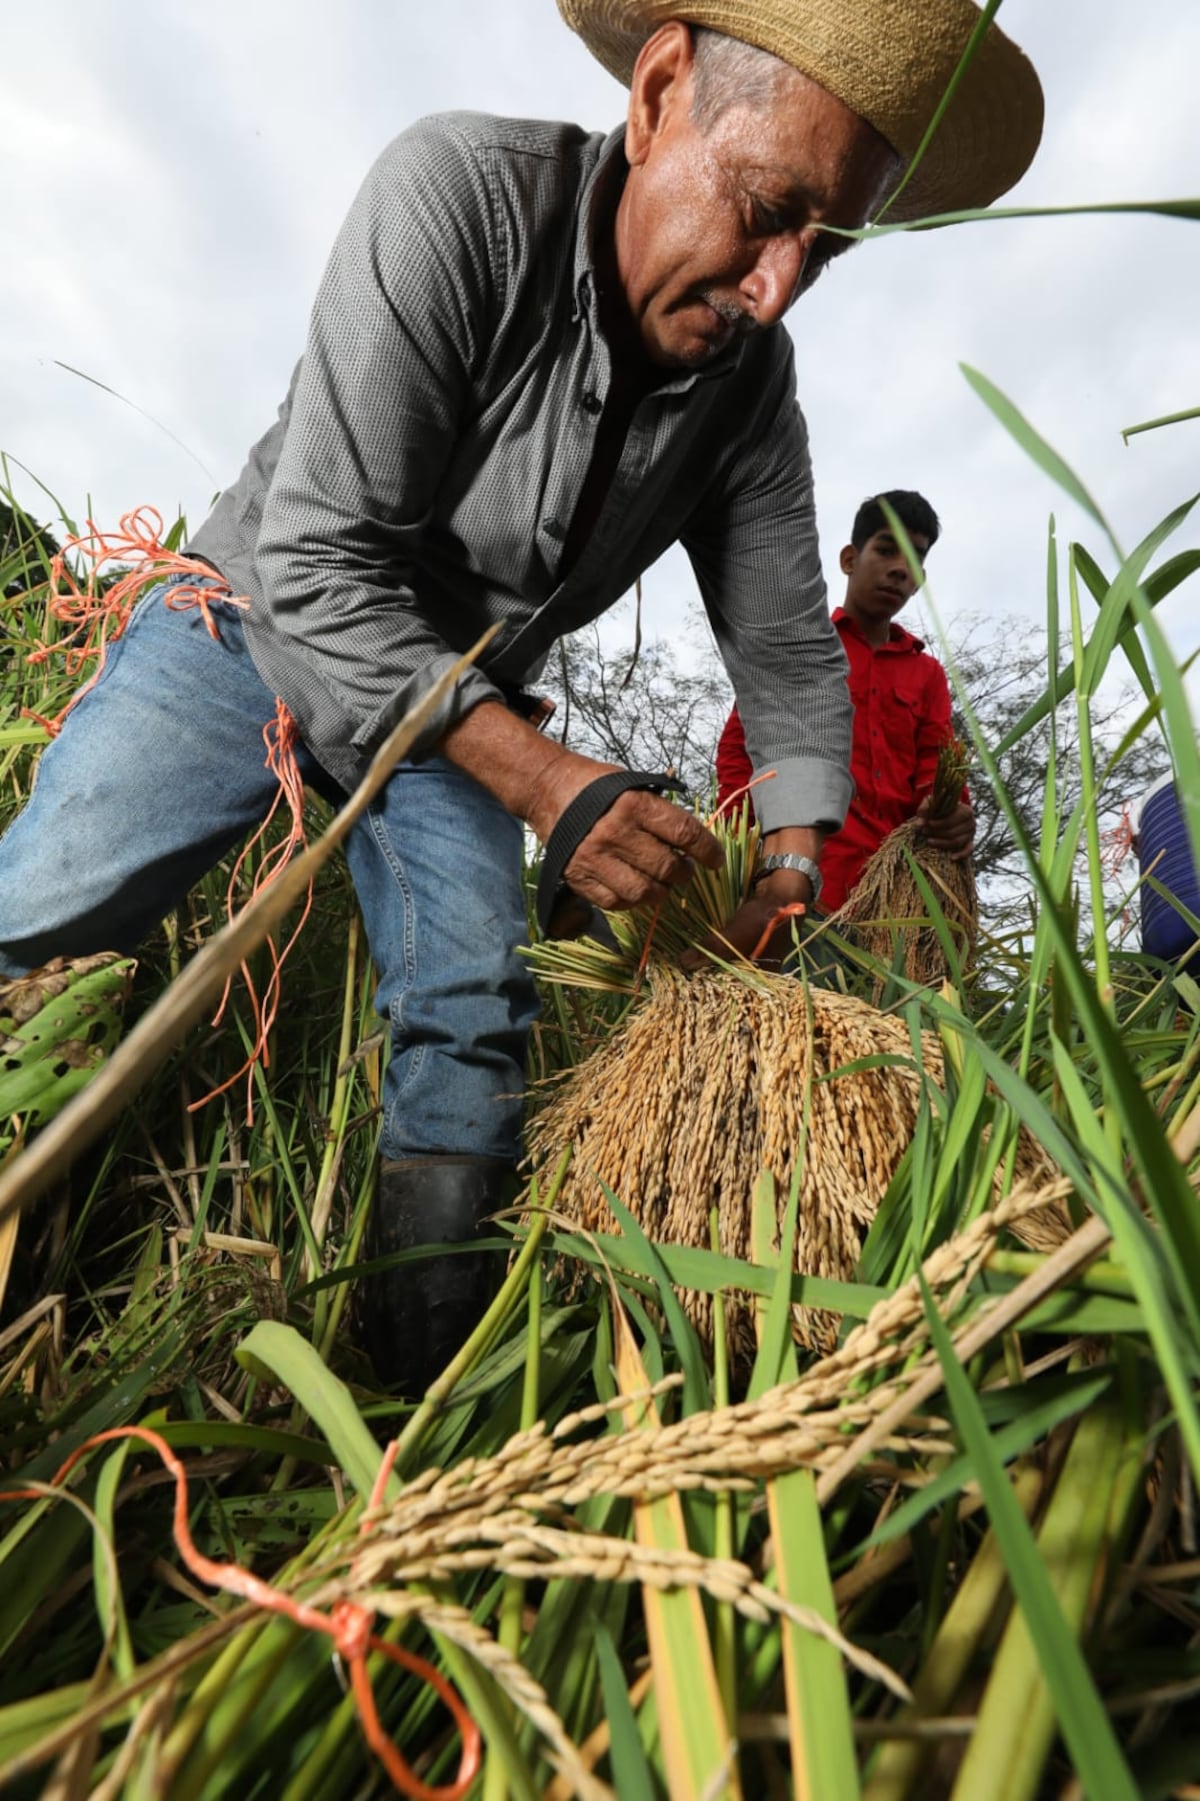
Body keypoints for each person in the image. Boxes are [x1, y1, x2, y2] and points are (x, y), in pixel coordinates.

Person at [0, 3, 1041, 1393]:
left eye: (827, 245)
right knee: (47, 906)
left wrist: (790, 866)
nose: (778, 284)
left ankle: (398, 1407)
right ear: (662, 91)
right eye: (767, 207)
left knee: (475, 1011)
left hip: (455, 727)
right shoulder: (460, 201)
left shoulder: (749, 393)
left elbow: (789, 657)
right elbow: (320, 556)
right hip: (254, 623)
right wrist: (559, 785)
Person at [715, 491, 975, 935]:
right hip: (796, 890)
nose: (899, 568)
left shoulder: (927, 674)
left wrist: (952, 813)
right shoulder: (802, 646)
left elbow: (938, 764)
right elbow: (742, 752)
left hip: (896, 908)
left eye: (914, 558)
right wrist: (738, 861)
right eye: (886, 549)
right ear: (850, 559)